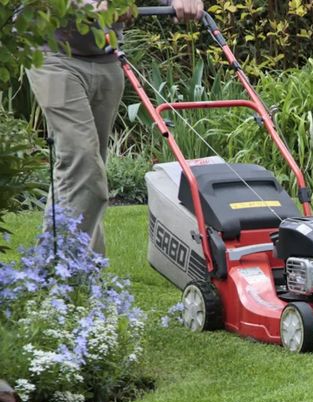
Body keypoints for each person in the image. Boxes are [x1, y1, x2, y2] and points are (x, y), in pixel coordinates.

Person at [28, 0, 204, 255]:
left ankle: (70, 273)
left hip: (107, 60)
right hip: (54, 58)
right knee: (84, 165)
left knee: (83, 169)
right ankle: (68, 270)